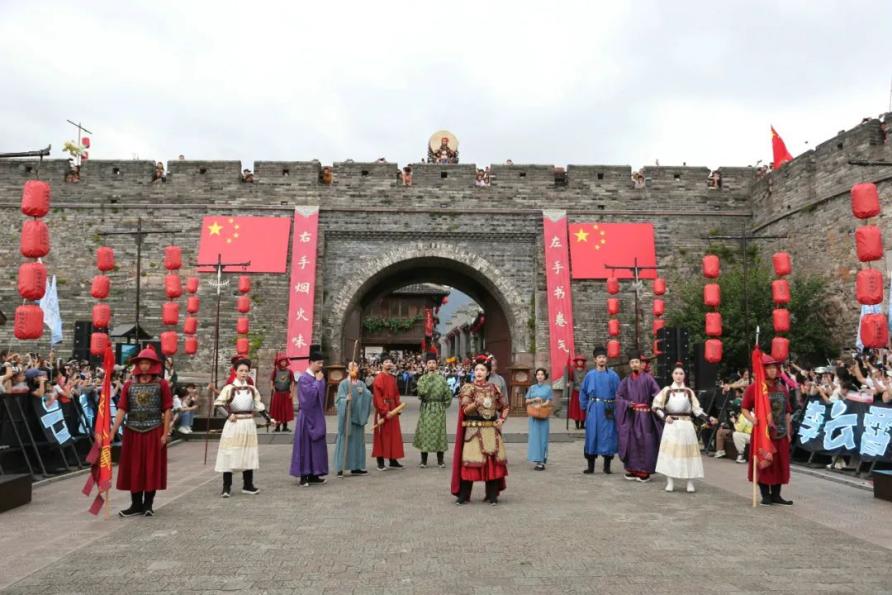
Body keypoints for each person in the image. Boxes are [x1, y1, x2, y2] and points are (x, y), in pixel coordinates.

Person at [109, 347, 172, 517]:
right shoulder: (129, 385)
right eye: (142, 363)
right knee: (134, 466)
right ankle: (135, 504)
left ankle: (148, 504)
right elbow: (122, 409)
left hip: (154, 430)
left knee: (151, 466)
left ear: (153, 365)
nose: (144, 366)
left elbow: (167, 409)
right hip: (133, 431)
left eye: (147, 363)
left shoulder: (162, 384)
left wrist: (165, 433)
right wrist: (112, 431)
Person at [451, 358, 509, 505]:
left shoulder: (494, 388)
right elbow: (465, 410)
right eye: (476, 369)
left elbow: (505, 406)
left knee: (492, 462)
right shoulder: (468, 388)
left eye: (482, 370)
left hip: (490, 430)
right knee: (470, 461)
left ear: (488, 372)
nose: (479, 372)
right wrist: (477, 402)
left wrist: (502, 419)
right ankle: (464, 495)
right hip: (473, 430)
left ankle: (492, 495)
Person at [211, 358, 273, 497]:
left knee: (248, 453)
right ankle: (226, 487)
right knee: (229, 454)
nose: (244, 373)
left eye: (246, 371)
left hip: (248, 424)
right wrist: (228, 415)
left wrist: (269, 418)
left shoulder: (252, 389)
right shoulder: (229, 388)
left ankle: (248, 485)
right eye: (241, 370)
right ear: (235, 371)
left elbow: (259, 406)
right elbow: (218, 404)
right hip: (234, 424)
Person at [652, 365, 717, 493]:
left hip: (686, 425)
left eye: (681, 373)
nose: (678, 376)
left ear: (684, 376)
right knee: (670, 454)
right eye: (676, 373)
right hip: (672, 425)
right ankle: (670, 481)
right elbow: (656, 406)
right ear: (672, 375)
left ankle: (690, 482)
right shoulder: (667, 390)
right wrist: (665, 417)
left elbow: (697, 410)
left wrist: (708, 418)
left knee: (689, 454)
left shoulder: (689, 392)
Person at [741, 353, 793, 506]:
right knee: (763, 462)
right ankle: (765, 495)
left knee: (779, 463)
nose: (772, 371)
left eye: (774, 368)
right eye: (769, 368)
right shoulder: (754, 388)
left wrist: (788, 431)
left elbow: (787, 412)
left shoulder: (782, 388)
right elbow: (744, 408)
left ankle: (776, 495)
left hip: (781, 432)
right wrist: (753, 420)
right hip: (762, 433)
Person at [614, 352, 662, 482]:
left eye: (636, 362)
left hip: (645, 416)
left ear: (641, 364)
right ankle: (633, 469)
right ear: (629, 365)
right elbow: (618, 397)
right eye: (632, 362)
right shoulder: (626, 381)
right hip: (632, 415)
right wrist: (627, 404)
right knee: (631, 442)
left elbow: (658, 394)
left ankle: (644, 471)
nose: (634, 364)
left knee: (645, 441)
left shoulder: (648, 379)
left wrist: (654, 404)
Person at [289, 347, 329, 487]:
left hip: (317, 415)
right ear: (311, 362)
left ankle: (314, 473)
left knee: (317, 446)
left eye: (322, 363)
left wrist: (319, 381)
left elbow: (321, 397)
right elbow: (308, 399)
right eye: (318, 363)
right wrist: (318, 382)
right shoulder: (304, 378)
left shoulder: (318, 376)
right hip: (306, 416)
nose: (321, 366)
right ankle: (304, 475)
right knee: (305, 446)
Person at [579, 346, 620, 474]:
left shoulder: (613, 376)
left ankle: (607, 466)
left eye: (603, 357)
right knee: (592, 434)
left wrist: (617, 408)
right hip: (594, 408)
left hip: (608, 408)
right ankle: (590, 466)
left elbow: (619, 393)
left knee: (608, 435)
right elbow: (583, 392)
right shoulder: (590, 375)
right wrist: (585, 406)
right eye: (599, 357)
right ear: (595, 360)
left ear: (606, 359)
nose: (602, 359)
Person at [334, 361, 373, 477]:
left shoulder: (361, 383)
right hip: (348, 416)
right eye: (351, 366)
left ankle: (356, 467)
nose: (354, 367)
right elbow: (338, 400)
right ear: (347, 370)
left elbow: (368, 395)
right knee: (345, 441)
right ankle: (340, 467)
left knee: (358, 442)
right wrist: (345, 399)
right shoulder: (343, 384)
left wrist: (364, 393)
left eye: (356, 365)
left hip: (358, 416)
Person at [413, 353, 451, 468]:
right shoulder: (422, 379)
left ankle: (440, 460)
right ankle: (423, 460)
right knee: (425, 432)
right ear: (426, 365)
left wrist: (444, 405)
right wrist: (429, 379)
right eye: (429, 363)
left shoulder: (442, 379)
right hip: (427, 408)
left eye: (433, 363)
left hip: (439, 408)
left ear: (437, 364)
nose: (431, 365)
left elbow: (448, 394)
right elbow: (421, 393)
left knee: (440, 433)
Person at [372, 353, 405, 470]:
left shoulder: (392, 378)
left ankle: (392, 459)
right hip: (384, 410)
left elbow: (396, 394)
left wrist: (398, 407)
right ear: (381, 364)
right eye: (386, 362)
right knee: (382, 436)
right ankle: (380, 461)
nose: (388, 364)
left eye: (390, 362)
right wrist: (384, 411)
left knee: (393, 435)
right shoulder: (379, 378)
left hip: (393, 409)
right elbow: (377, 397)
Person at [525, 367, 552, 470]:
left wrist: (542, 404)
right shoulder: (532, 388)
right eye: (538, 374)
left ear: (545, 376)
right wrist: (534, 400)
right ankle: (536, 460)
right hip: (534, 416)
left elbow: (549, 401)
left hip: (543, 415)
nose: (540, 376)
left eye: (542, 374)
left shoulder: (548, 388)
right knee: (534, 438)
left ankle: (542, 461)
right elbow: (526, 401)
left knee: (543, 438)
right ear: (536, 376)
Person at [269, 353, 295, 432]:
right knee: (277, 411)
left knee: (285, 410)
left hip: (286, 393)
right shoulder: (275, 371)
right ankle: (277, 427)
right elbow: (271, 380)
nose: (283, 363)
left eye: (284, 361)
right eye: (282, 361)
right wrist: (272, 388)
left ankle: (285, 427)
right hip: (278, 393)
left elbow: (292, 382)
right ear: (279, 362)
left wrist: (292, 392)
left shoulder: (290, 372)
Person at [569, 355, 587, 430]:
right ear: (576, 362)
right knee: (576, 408)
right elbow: (571, 379)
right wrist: (569, 383)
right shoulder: (573, 370)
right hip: (576, 392)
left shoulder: (586, 370)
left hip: (584, 392)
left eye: (581, 361)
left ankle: (582, 424)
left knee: (583, 408)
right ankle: (577, 424)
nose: (580, 362)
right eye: (578, 361)